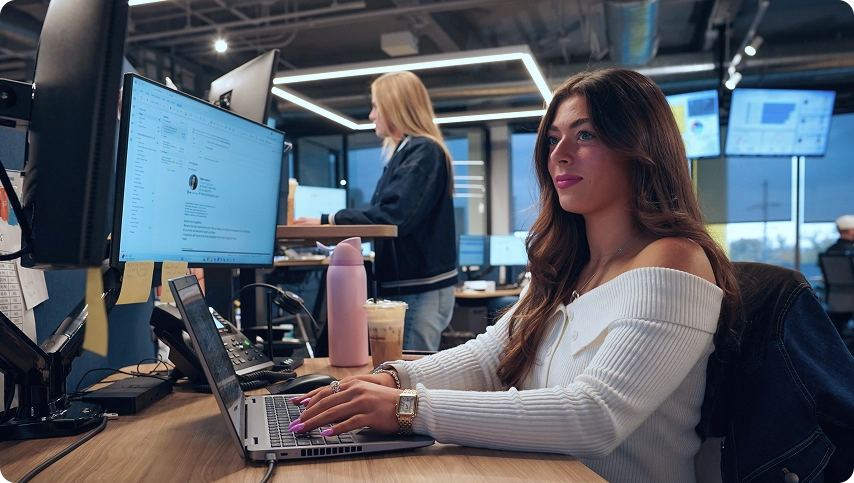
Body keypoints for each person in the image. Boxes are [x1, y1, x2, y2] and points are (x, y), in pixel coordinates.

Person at [287, 68, 743, 481]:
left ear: (640, 148)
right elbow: (490, 357)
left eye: (585, 135)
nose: (559, 155)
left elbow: (594, 416)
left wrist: (408, 408)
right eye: (553, 138)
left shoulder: (675, 258)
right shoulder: (567, 264)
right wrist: (391, 380)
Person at [293, 71, 457, 351]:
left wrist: (329, 221)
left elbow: (393, 215)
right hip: (411, 287)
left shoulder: (423, 151)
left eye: (376, 106)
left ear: (396, 106)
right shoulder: (407, 152)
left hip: (419, 290)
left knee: (407, 378)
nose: (371, 115)